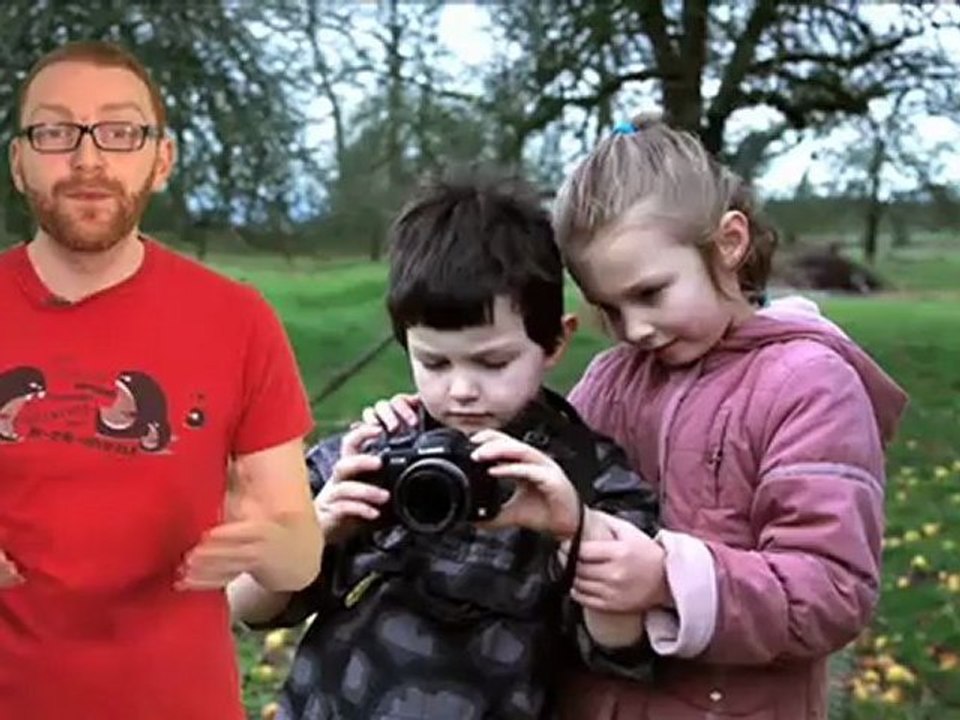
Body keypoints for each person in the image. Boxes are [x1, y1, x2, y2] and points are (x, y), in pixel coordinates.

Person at [228, 171, 660, 720]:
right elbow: (247, 606)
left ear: (554, 342)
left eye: (493, 362)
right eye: (433, 362)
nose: (460, 390)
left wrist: (578, 530)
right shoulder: (370, 453)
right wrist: (316, 529)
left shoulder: (585, 476)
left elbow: (620, 650)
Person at [544, 116, 909, 719]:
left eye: (651, 293)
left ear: (729, 242)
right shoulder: (609, 381)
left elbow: (832, 590)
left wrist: (667, 580)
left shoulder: (808, 385)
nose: (634, 329)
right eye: (610, 308)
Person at [0, 41, 322, 719]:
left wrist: (269, 542)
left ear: (162, 159)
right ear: (18, 161)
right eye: (56, 131)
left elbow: (298, 556)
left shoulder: (236, 320)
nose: (88, 158)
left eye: (119, 131)